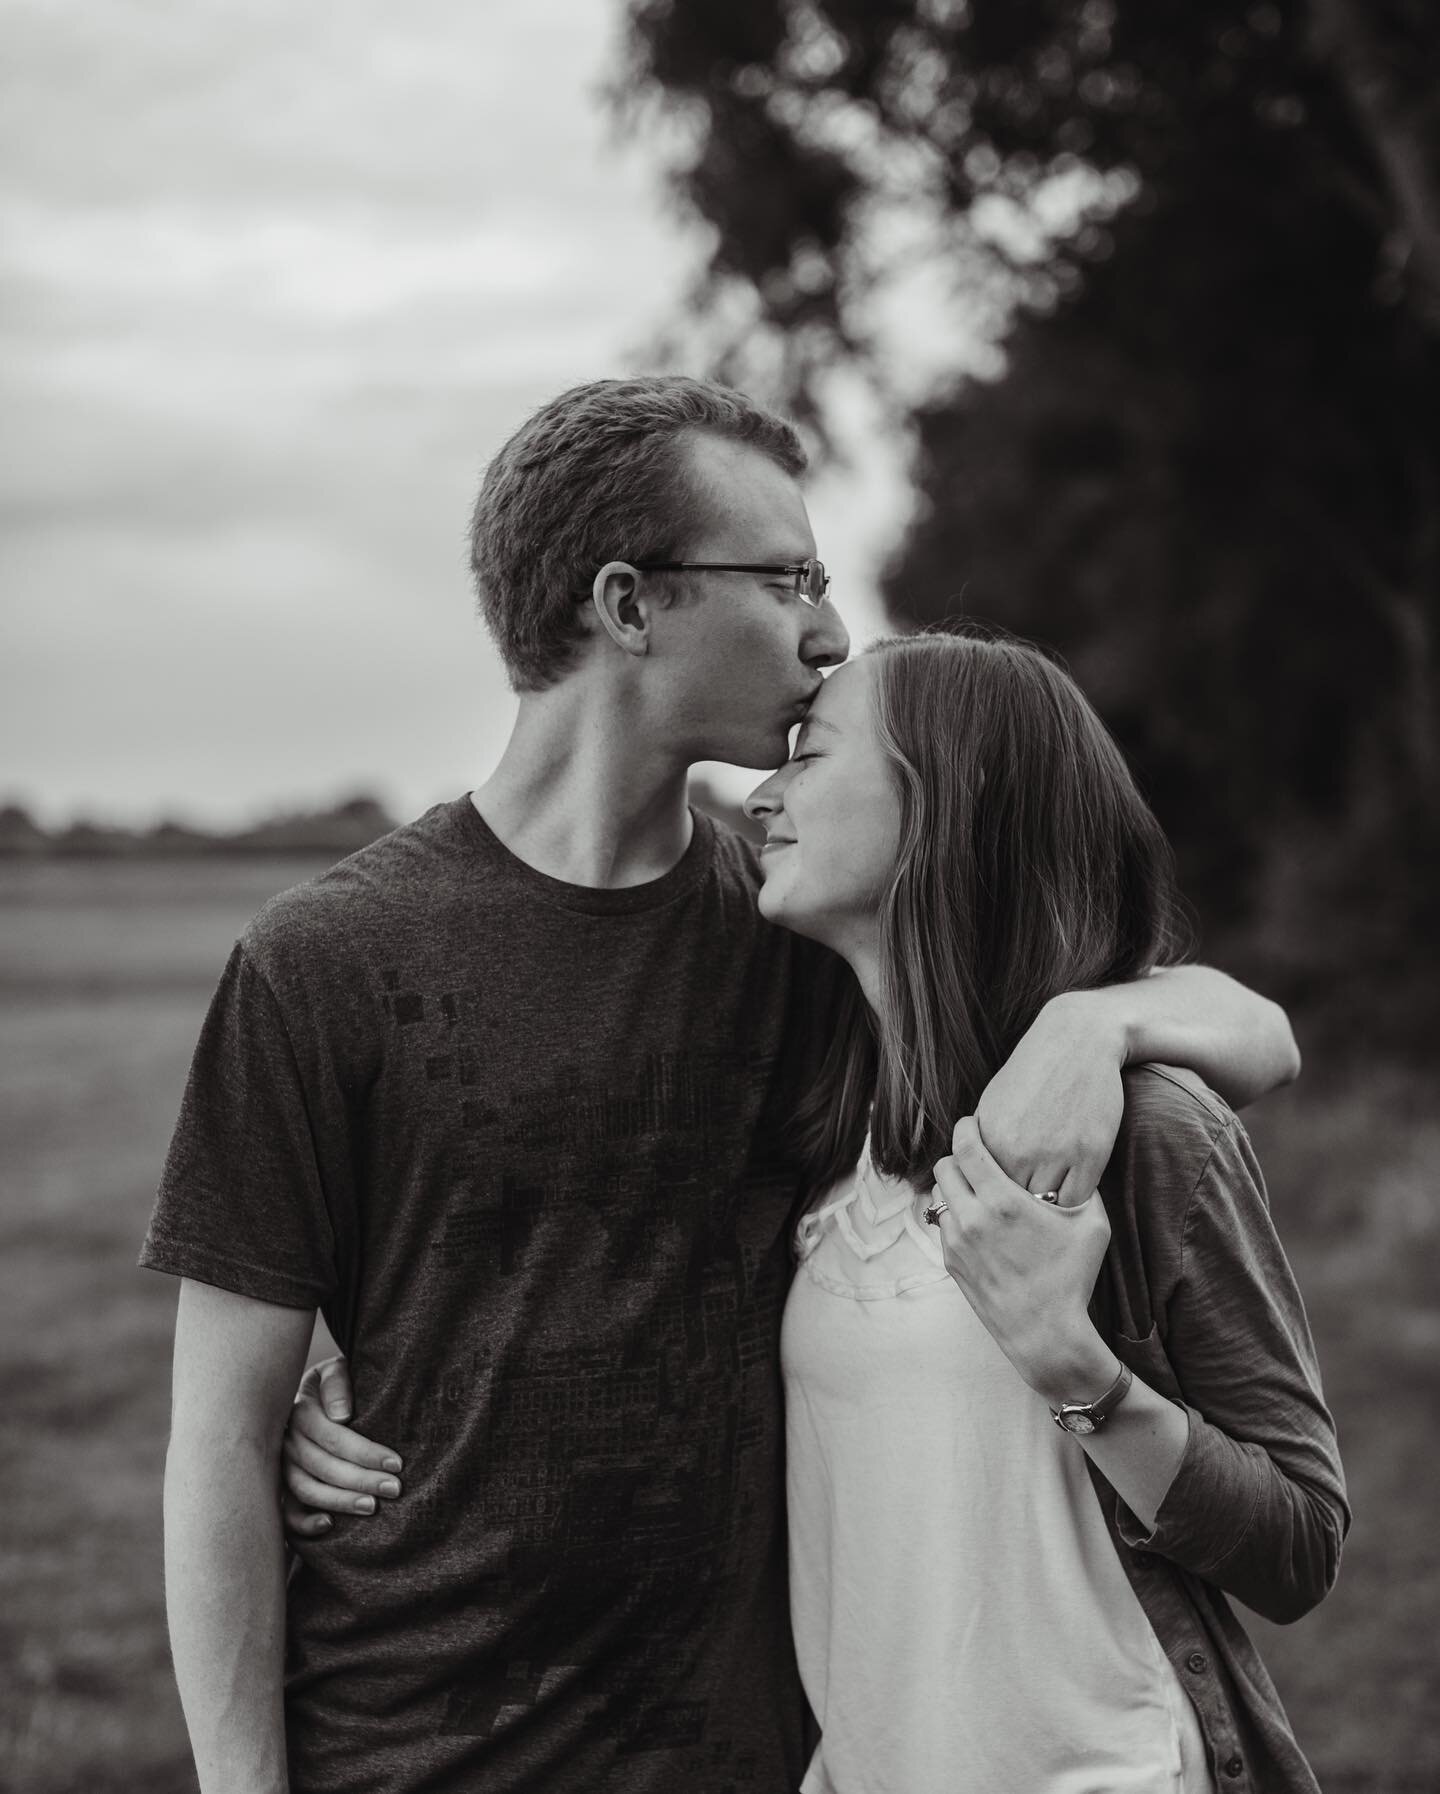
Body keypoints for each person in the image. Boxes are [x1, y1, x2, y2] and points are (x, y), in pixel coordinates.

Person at [145, 376, 1301, 1794]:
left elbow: (1246, 1032)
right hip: (412, 1746)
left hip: (746, 1755)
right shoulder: (320, 963)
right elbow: (220, 1441)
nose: (828, 629)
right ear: (629, 605)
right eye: (789, 577)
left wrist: (1092, 1023)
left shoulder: (794, 926)